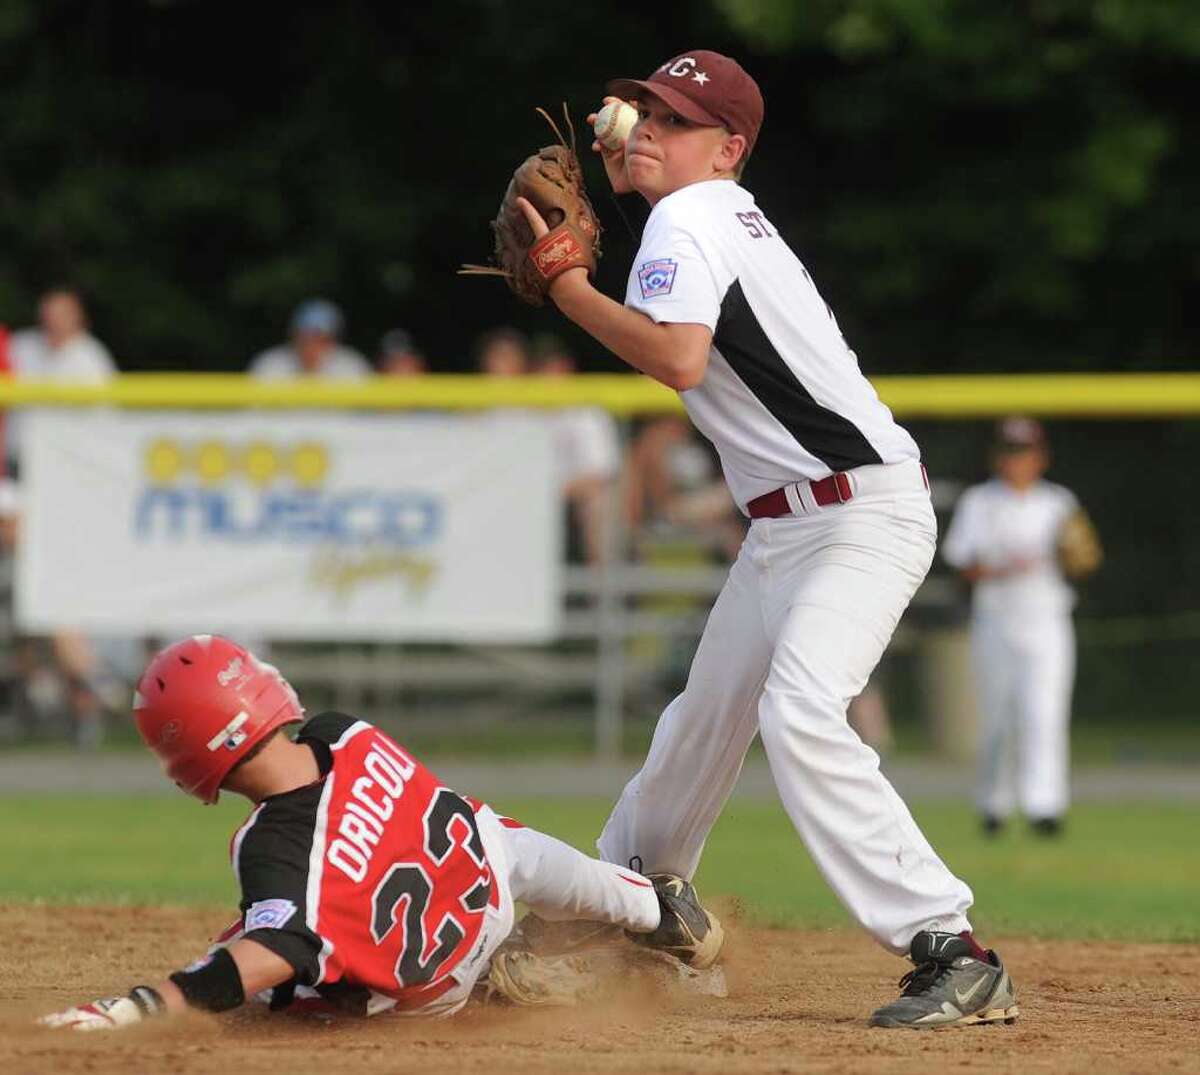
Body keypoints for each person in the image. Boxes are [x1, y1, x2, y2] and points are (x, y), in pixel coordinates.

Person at [512, 49, 1017, 1029]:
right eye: (648, 112)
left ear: (728, 149)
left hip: (855, 516)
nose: (649, 128)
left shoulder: (692, 216)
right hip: (792, 524)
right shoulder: (708, 214)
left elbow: (678, 358)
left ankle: (953, 947)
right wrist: (619, 204)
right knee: (701, 723)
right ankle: (640, 908)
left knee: (800, 712)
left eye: (678, 120)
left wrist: (570, 291)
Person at [38, 635, 720, 1031]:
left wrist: (144, 1004)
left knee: (273, 987)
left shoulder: (271, 849)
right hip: (492, 878)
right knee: (489, 829)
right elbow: (370, 829)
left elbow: (275, 948)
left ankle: (519, 979)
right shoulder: (344, 731)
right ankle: (653, 907)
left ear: (188, 760)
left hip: (438, 983)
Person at [941, 417, 1100, 837]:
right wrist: (1000, 569)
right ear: (997, 457)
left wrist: (1075, 560)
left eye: (1024, 453)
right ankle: (993, 804)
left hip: (1047, 619)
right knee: (997, 716)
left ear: (1040, 457)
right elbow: (961, 562)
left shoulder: (1058, 503)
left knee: (1044, 713)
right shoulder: (980, 501)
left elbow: (1082, 561)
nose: (1017, 461)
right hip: (996, 618)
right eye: (1010, 452)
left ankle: (1044, 806)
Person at [530, 335, 620, 565]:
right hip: (528, 496)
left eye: (555, 369)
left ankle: (599, 584)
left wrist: (555, 492)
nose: (548, 378)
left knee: (598, 502)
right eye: (542, 370)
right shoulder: (519, 411)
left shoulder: (586, 412)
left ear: (567, 370)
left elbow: (599, 475)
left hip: (569, 496)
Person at [249, 299, 370, 380]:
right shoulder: (270, 365)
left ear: (334, 341)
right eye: (304, 338)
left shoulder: (351, 367)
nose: (310, 346)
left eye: (320, 339)